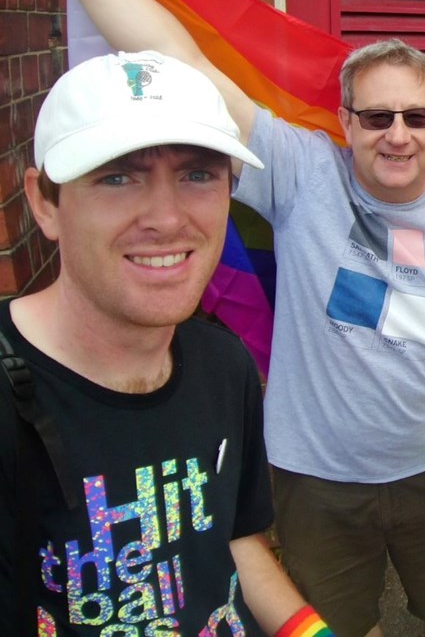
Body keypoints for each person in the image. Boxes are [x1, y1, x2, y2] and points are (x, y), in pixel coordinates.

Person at [0, 0, 425, 637]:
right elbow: (178, 64)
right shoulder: (303, 172)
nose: (398, 134)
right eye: (377, 115)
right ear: (345, 120)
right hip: (316, 481)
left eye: (418, 115)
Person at [0, 51, 332, 635]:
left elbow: (231, 541)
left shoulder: (224, 366)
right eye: (117, 176)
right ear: (44, 203)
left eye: (197, 174)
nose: (166, 217)